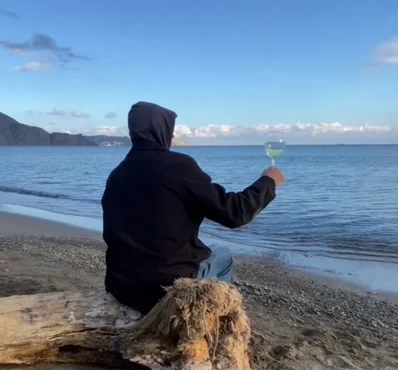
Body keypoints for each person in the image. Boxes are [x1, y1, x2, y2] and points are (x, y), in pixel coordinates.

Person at [102, 101, 285, 314]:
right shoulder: (178, 167)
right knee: (223, 255)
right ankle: (213, 315)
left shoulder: (117, 174)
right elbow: (235, 213)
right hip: (164, 289)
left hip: (122, 287)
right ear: (162, 131)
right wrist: (267, 182)